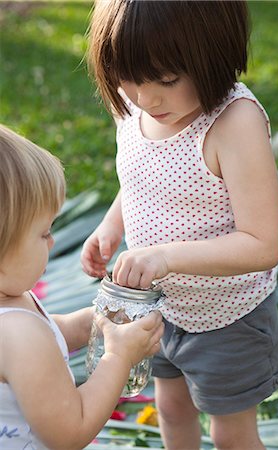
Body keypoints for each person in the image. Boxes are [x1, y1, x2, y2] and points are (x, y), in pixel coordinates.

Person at [81, 1, 278, 449]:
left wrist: (164, 256)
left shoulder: (233, 124)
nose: (146, 97)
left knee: (230, 433)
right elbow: (143, 178)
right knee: (172, 412)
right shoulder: (136, 108)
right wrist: (110, 228)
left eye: (167, 80)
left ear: (213, 55)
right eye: (129, 78)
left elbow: (262, 243)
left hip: (227, 318)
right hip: (160, 311)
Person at [0, 124, 164, 450]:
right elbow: (70, 432)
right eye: (43, 233)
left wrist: (98, 320)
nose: (52, 241)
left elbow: (48, 333)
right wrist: (119, 356)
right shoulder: (18, 334)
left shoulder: (13, 306)